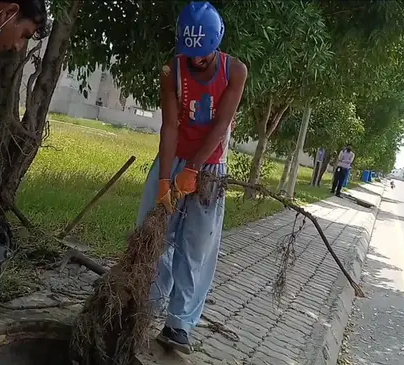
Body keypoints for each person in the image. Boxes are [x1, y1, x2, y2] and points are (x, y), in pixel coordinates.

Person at [135, 1, 247, 354]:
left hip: (210, 168)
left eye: (203, 54)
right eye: (191, 54)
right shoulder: (172, 71)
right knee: (153, 234)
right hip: (173, 159)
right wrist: (166, 179)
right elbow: (170, 125)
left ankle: (179, 324)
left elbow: (220, 126)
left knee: (196, 246)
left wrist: (194, 169)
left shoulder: (235, 71)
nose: (196, 61)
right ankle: (145, 307)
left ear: (217, 44)